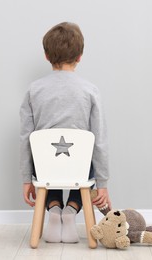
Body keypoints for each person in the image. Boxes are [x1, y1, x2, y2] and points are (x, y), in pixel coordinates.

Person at [20, 22, 111, 243]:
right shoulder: (90, 90)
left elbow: (25, 138)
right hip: (79, 169)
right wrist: (102, 184)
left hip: (45, 170)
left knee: (45, 155)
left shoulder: (34, 90)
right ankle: (71, 209)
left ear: (46, 56)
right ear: (80, 56)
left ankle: (53, 208)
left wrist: (26, 179)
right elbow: (100, 140)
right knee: (84, 152)